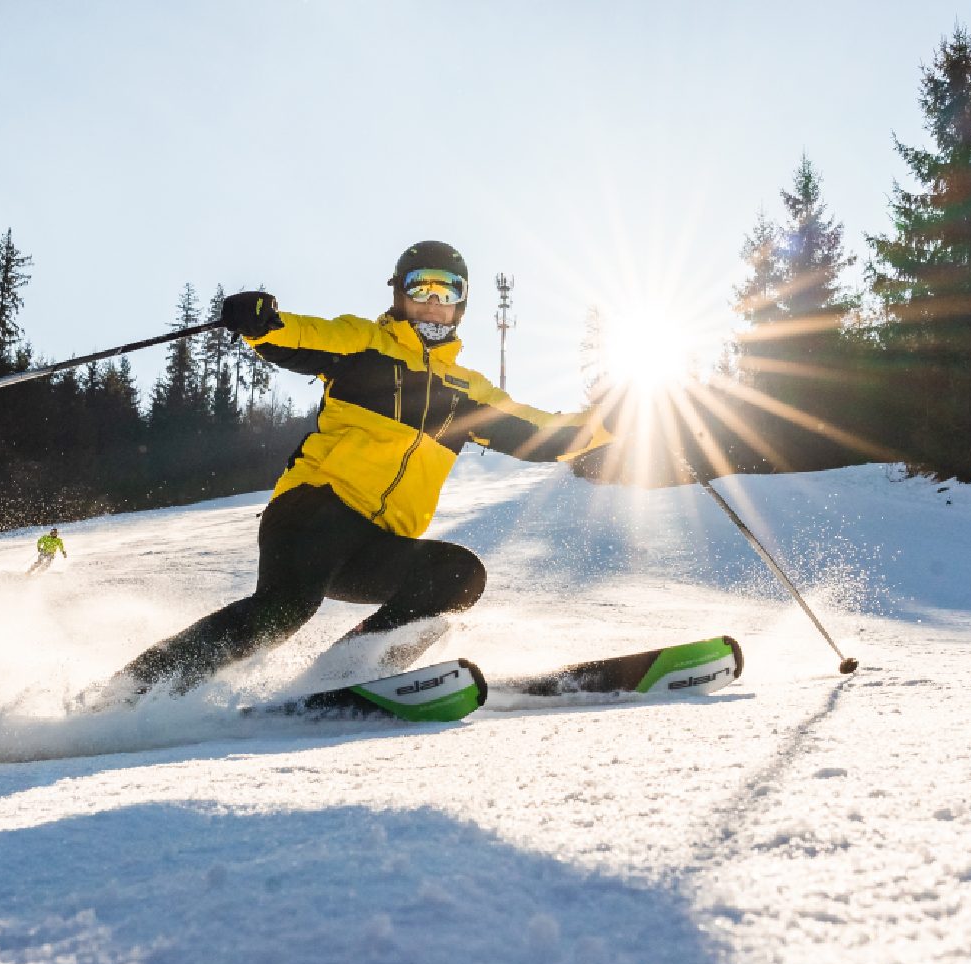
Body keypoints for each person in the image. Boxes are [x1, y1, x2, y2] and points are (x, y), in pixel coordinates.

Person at [106, 241, 612, 698]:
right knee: (280, 614)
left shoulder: (468, 392)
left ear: (462, 303)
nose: (433, 301)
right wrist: (261, 321)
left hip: (376, 544)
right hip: (314, 513)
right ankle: (133, 691)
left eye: (447, 290)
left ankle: (345, 676)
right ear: (399, 295)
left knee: (457, 576)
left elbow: (545, 434)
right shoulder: (365, 344)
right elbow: (297, 336)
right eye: (421, 287)